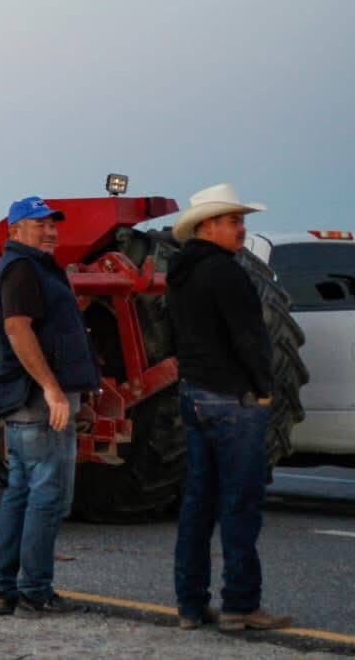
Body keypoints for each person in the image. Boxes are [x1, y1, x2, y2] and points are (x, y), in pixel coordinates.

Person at [167, 183, 292, 632]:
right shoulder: (227, 273)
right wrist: (262, 389)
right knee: (240, 504)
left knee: (198, 504)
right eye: (234, 221)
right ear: (208, 226)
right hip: (232, 401)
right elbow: (249, 337)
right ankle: (240, 604)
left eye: (242, 222)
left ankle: (190, 606)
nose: (242, 230)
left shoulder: (179, 273)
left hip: (195, 395)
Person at [0, 196, 100, 616]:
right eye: (38, 225)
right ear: (15, 230)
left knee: (21, 491)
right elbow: (17, 329)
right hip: (35, 402)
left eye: (52, 225)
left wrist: (77, 394)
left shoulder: (32, 268)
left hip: (29, 399)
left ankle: (2, 590)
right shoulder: (22, 269)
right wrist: (52, 389)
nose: (49, 231)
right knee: (47, 495)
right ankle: (35, 592)